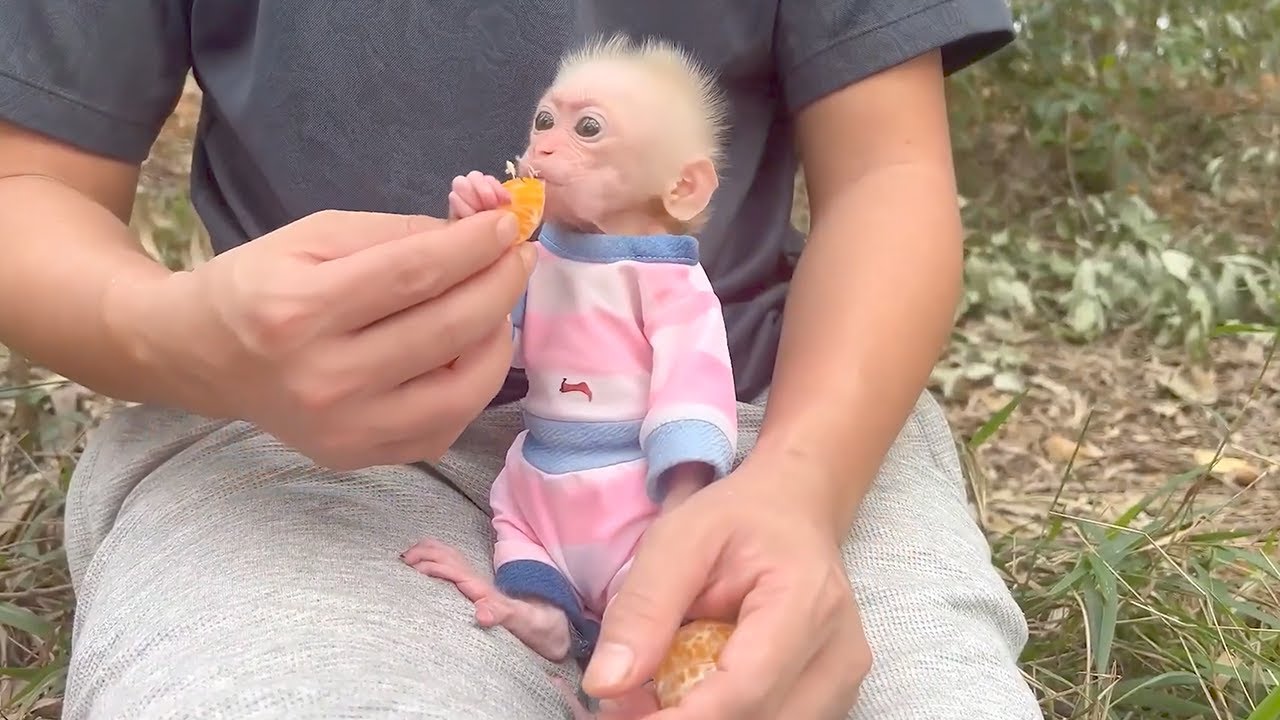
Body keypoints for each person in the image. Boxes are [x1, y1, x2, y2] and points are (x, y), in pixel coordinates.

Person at [0, 2, 1044, 719]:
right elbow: (27, 188)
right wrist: (179, 335)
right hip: (284, 446)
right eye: (548, 126)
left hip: (770, 421)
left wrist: (801, 487)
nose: (544, 148)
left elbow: (889, 176)